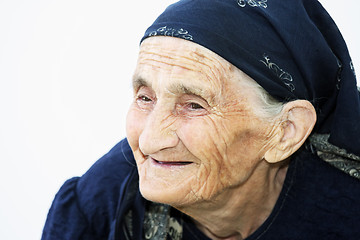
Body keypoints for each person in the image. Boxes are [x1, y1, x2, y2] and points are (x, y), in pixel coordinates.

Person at [42, 0, 360, 239]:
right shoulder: (102, 204)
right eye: (144, 97)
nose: (149, 140)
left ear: (285, 132)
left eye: (194, 105)